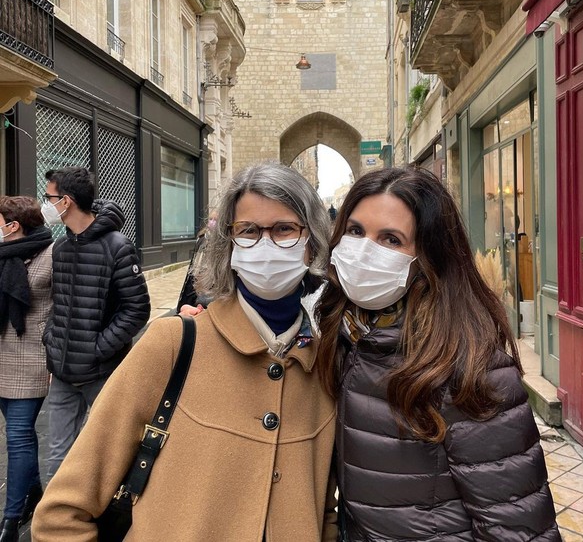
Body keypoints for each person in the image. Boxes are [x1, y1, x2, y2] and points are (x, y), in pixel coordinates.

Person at [32, 162, 338, 541]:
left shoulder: (325, 366)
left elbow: (324, 508)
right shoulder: (173, 345)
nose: (265, 244)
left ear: (313, 242)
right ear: (228, 242)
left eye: (284, 229)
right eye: (247, 231)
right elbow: (62, 512)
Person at [316, 166, 560, 541]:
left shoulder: (467, 363)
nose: (364, 251)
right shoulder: (350, 335)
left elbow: (516, 525)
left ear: (429, 257)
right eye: (355, 231)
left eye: (391, 240)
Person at [40, 167, 150, 480]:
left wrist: (97, 348)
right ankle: (57, 525)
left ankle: (103, 522)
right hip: (62, 372)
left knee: (105, 455)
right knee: (58, 457)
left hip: (101, 372)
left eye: (49, 197)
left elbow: (137, 308)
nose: (44, 204)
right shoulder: (60, 248)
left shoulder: (118, 246)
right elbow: (58, 304)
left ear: (67, 201)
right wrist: (53, 344)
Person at [0, 197, 54, 542]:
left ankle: (11, 516)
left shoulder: (51, 256)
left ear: (13, 224)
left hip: (31, 358)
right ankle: (34, 492)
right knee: (19, 436)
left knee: (18, 437)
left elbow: (66, 308)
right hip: (1, 355)